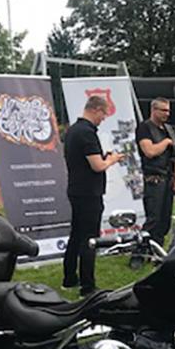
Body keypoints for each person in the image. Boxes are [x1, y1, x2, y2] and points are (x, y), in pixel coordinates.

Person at [63, 95, 125, 295]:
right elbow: (97, 166)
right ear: (96, 109)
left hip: (76, 189)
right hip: (89, 193)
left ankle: (69, 277)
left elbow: (84, 160)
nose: (103, 118)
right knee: (90, 239)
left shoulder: (73, 130)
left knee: (76, 234)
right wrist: (112, 160)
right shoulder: (87, 133)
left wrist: (104, 158)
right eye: (104, 114)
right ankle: (87, 286)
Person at [132, 97, 175, 269]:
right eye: (163, 110)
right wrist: (166, 142)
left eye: (168, 110)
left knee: (164, 221)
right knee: (153, 220)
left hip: (168, 180)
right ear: (154, 110)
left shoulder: (169, 129)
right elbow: (149, 151)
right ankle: (138, 253)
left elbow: (174, 158)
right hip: (153, 179)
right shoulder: (144, 128)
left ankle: (156, 253)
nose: (167, 113)